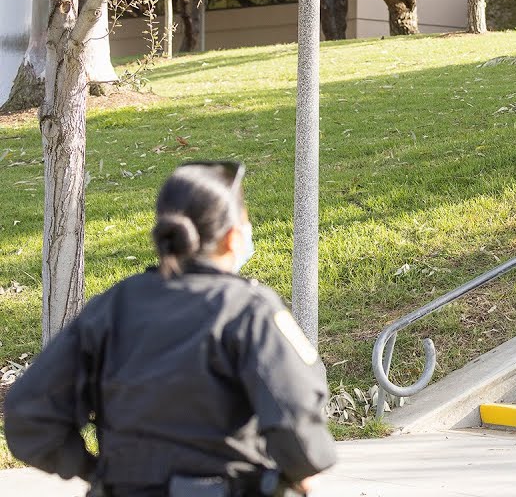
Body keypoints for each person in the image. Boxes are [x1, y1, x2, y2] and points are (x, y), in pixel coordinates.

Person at [4, 161, 336, 497]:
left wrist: (95, 471)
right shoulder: (251, 310)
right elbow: (297, 431)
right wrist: (297, 473)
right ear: (233, 238)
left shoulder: (112, 307)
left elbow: (27, 414)